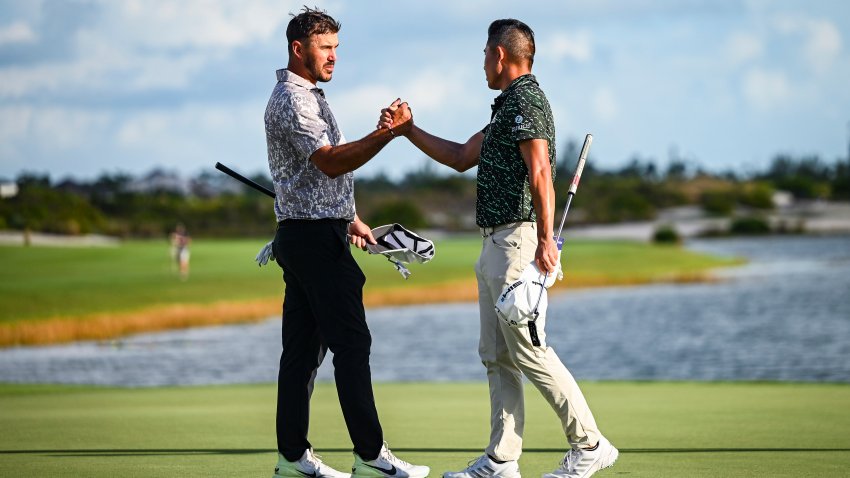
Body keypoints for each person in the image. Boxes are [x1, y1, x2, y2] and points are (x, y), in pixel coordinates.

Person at [379, 19, 617, 478]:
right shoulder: (506, 108)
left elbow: (542, 171)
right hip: (493, 243)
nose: (483, 64)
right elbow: (459, 157)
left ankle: (589, 443)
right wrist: (408, 130)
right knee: (496, 354)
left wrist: (546, 240)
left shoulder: (526, 100)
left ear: (501, 56)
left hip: (517, 242)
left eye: (485, 54)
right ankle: (502, 459)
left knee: (530, 351)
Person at [264, 7, 429, 478]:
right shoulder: (295, 100)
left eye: (337, 47)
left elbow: (318, 177)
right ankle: (372, 456)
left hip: (309, 234)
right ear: (299, 49)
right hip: (314, 241)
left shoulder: (306, 95)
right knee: (352, 344)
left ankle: (292, 458)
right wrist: (387, 133)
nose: (335, 57)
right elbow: (331, 162)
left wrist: (352, 217)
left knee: (301, 353)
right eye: (326, 48)